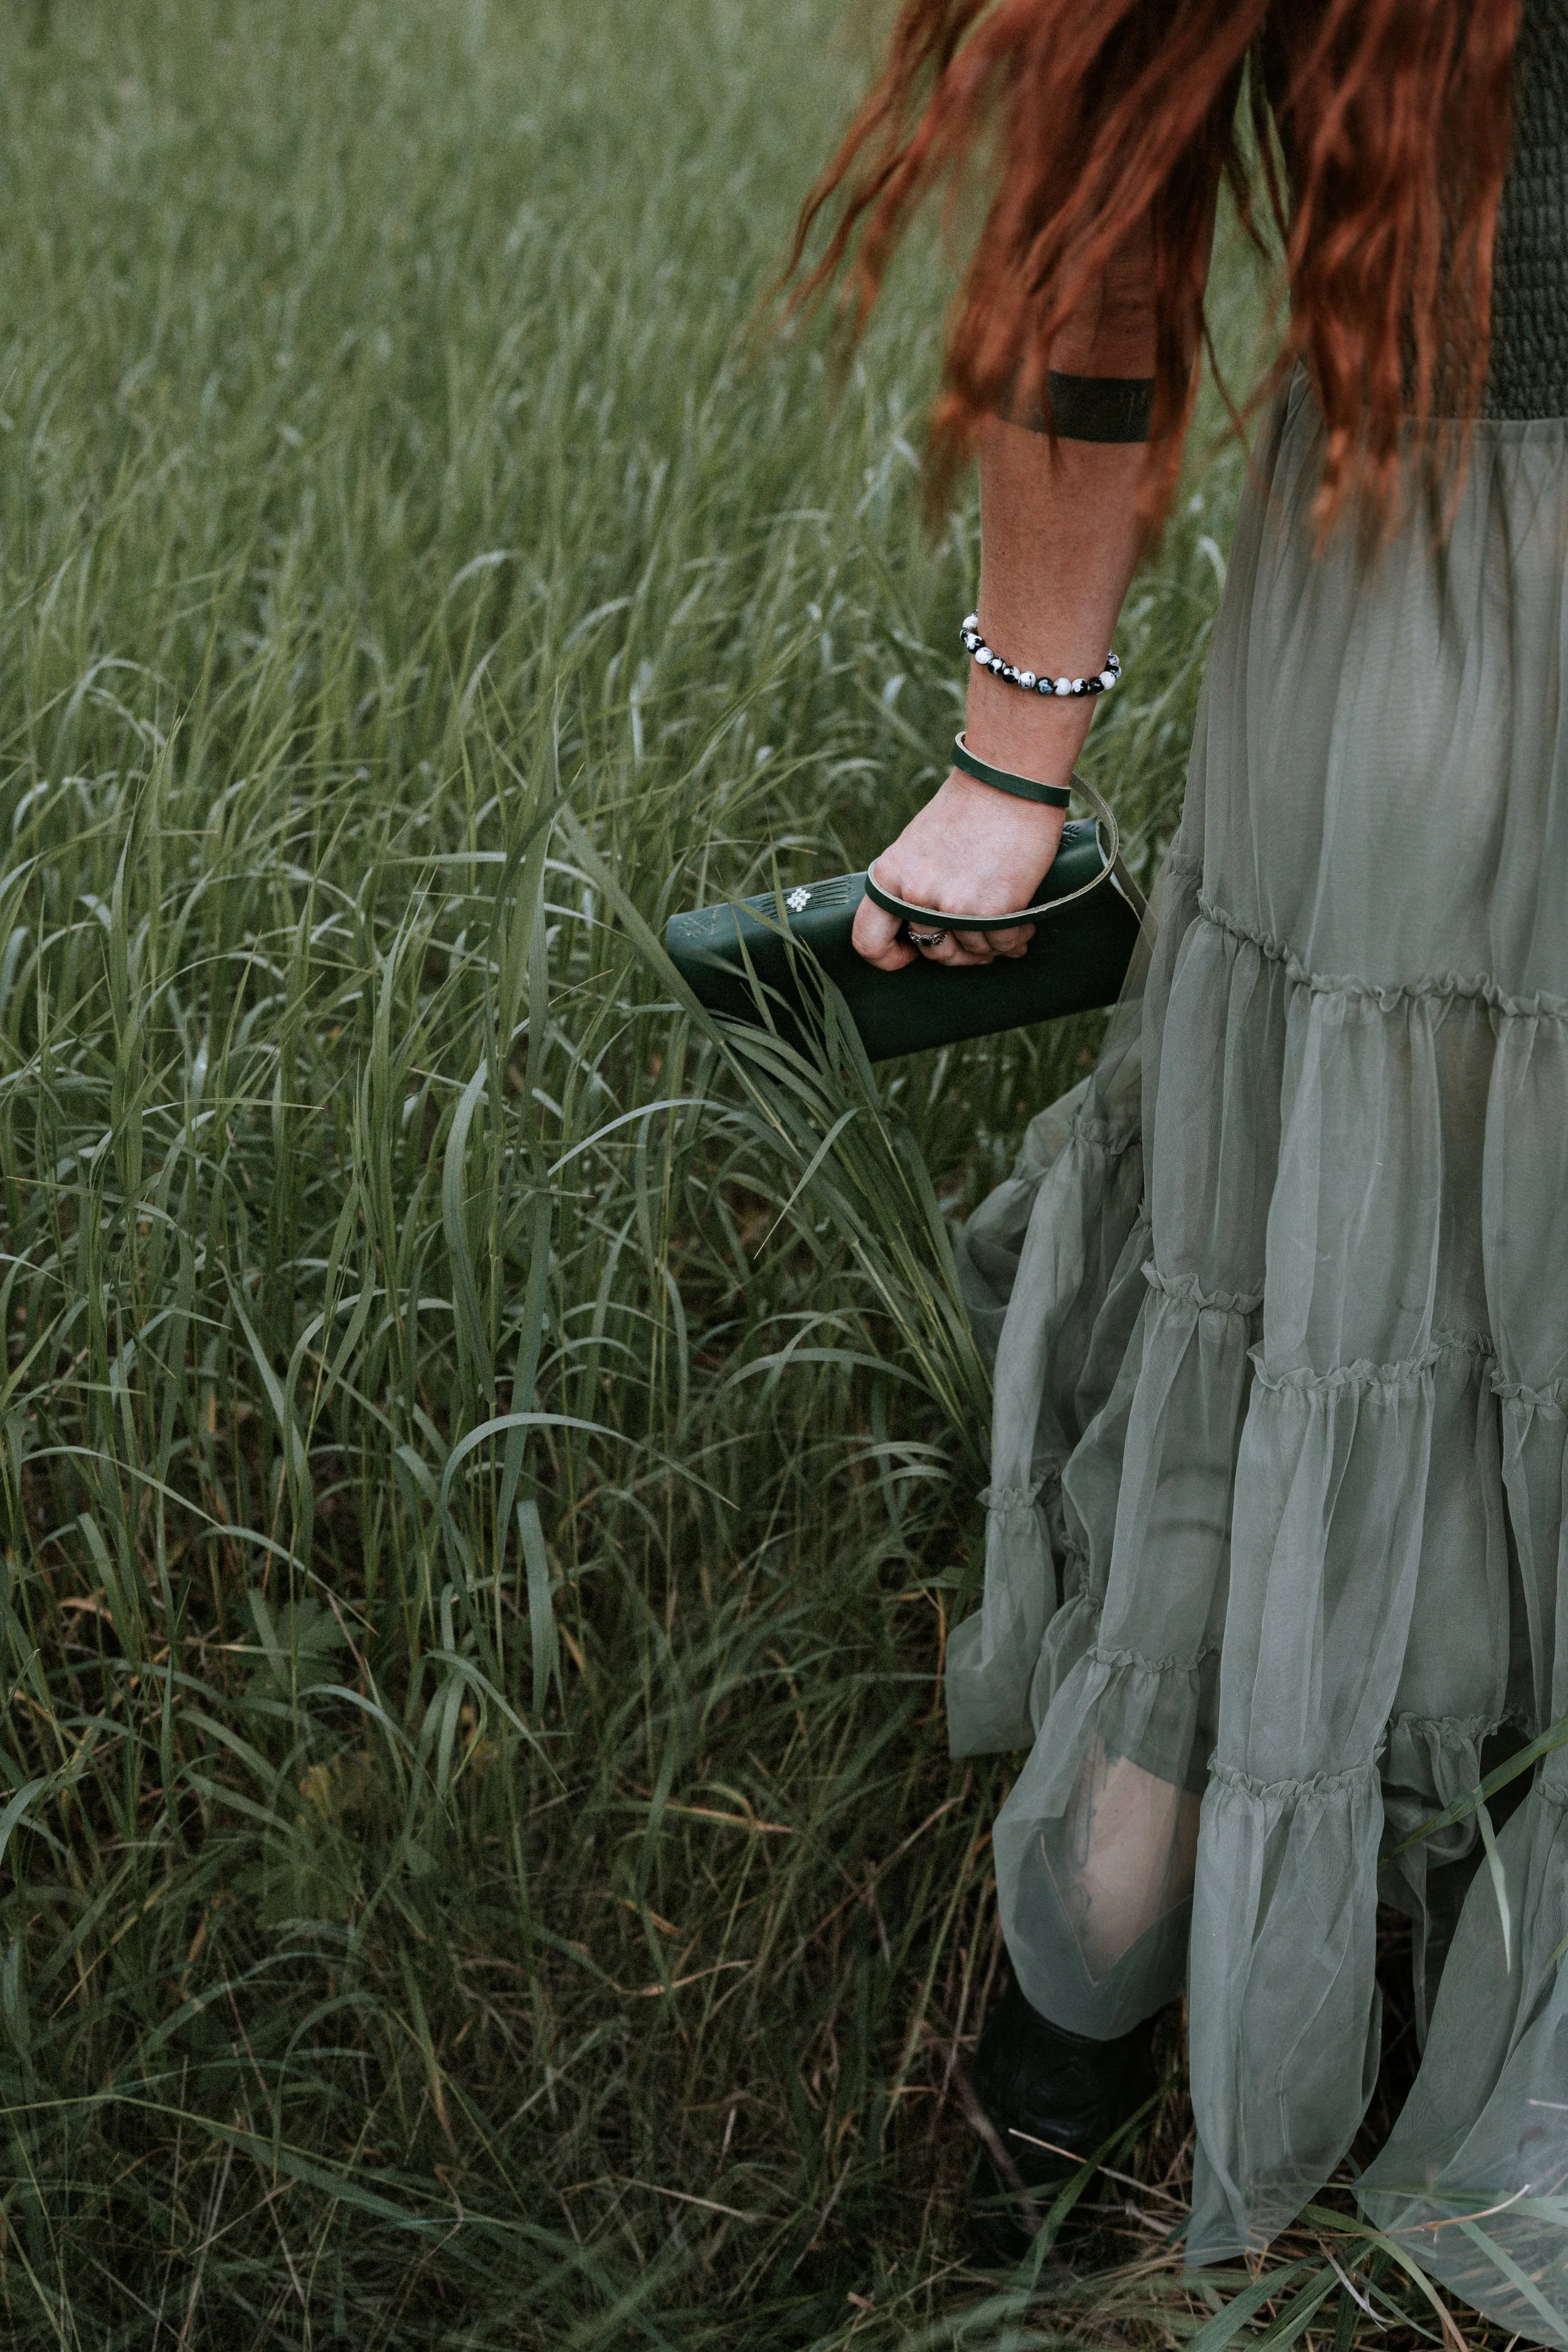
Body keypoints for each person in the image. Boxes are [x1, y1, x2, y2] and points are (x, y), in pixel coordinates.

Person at [795, 0, 1568, 2336]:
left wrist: (1015, 768)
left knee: (1292, 1301)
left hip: (1417, 619)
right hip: (1447, 592)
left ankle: (1091, 1994)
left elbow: (1098, 196)